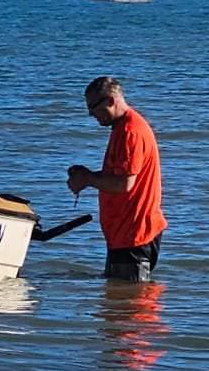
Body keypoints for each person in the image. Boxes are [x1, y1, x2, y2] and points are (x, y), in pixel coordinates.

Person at [67, 76, 166, 281]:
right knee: (116, 304)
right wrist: (88, 175)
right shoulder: (121, 128)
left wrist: (87, 180)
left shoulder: (131, 131)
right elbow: (118, 175)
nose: (90, 114)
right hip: (122, 235)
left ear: (111, 101)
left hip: (135, 235)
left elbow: (124, 184)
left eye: (93, 107)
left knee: (132, 307)